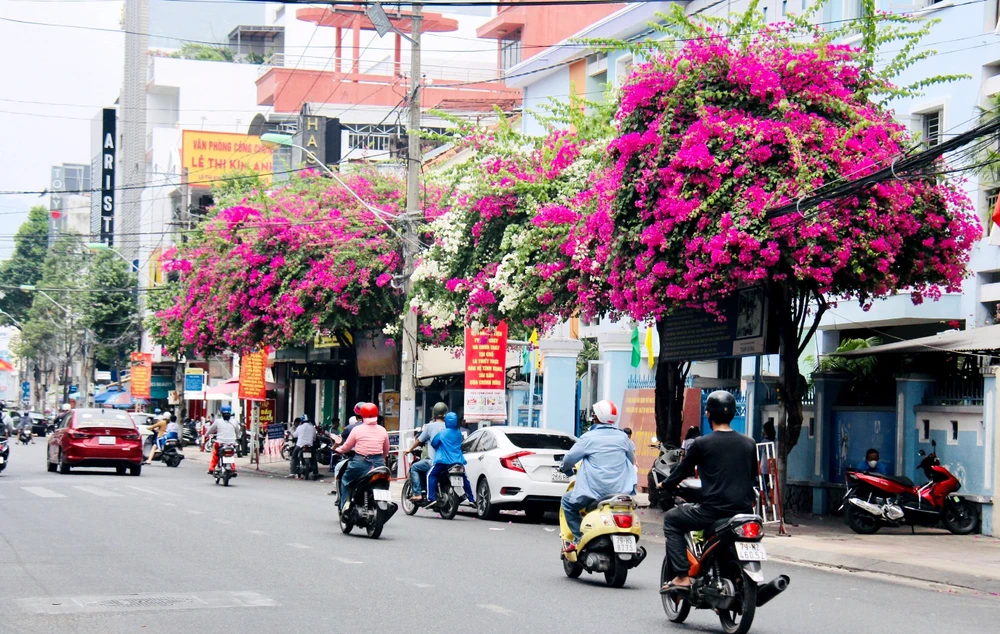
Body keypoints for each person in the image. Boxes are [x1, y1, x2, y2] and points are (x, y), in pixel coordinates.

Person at [659, 391, 758, 594]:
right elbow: (753, 478)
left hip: (713, 511)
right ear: (732, 413)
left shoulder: (702, 443)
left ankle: (681, 577)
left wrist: (665, 485)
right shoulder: (749, 443)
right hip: (745, 512)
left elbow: (681, 472)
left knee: (672, 519)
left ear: (707, 414)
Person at [558, 400, 636, 552]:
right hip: (620, 492)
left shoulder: (589, 438)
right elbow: (631, 460)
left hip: (594, 492)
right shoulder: (623, 438)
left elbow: (569, 460)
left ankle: (579, 537)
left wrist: (564, 467)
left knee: (567, 502)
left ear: (597, 416)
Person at [335, 403, 389, 510]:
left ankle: (345, 507)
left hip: (360, 462)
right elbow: (386, 449)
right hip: (379, 464)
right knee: (383, 483)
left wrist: (338, 450)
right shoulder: (382, 430)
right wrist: (381, 458)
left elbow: (347, 446)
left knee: (345, 480)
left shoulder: (357, 430)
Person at [426, 412, 475, 505]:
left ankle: (431, 498)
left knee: (430, 475)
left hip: (443, 461)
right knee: (464, 478)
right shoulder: (458, 433)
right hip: (458, 461)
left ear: (446, 421)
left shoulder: (442, 433)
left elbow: (434, 444)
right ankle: (471, 499)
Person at [405, 402, 448, 502]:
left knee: (414, 467)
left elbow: (419, 440)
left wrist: (409, 449)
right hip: (449, 462)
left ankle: (418, 494)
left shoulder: (429, 427)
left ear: (434, 414)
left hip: (434, 461)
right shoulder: (450, 428)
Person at [206, 405, 239, 474]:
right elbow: (237, 432)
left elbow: (211, 430)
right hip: (231, 444)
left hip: (220, 443)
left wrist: (206, 435)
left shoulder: (218, 421)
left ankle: (211, 468)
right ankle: (233, 468)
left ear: (221, 413)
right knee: (231, 456)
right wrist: (237, 437)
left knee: (215, 455)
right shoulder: (235, 422)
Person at [287, 414, 316, 479]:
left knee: (294, 457)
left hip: (300, 445)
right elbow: (314, 437)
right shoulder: (312, 427)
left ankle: (293, 472)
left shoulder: (300, 427)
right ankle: (315, 472)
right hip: (309, 445)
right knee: (314, 458)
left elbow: (294, 435)